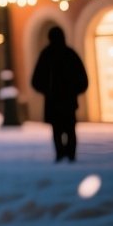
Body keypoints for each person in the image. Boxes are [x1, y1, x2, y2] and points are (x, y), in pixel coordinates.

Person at [31, 26, 89, 162]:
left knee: (58, 130)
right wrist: (73, 91)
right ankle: (70, 154)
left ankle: (61, 153)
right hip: (67, 101)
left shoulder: (47, 54)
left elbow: (36, 80)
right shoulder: (69, 54)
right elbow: (83, 79)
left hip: (54, 101)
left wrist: (47, 91)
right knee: (69, 129)